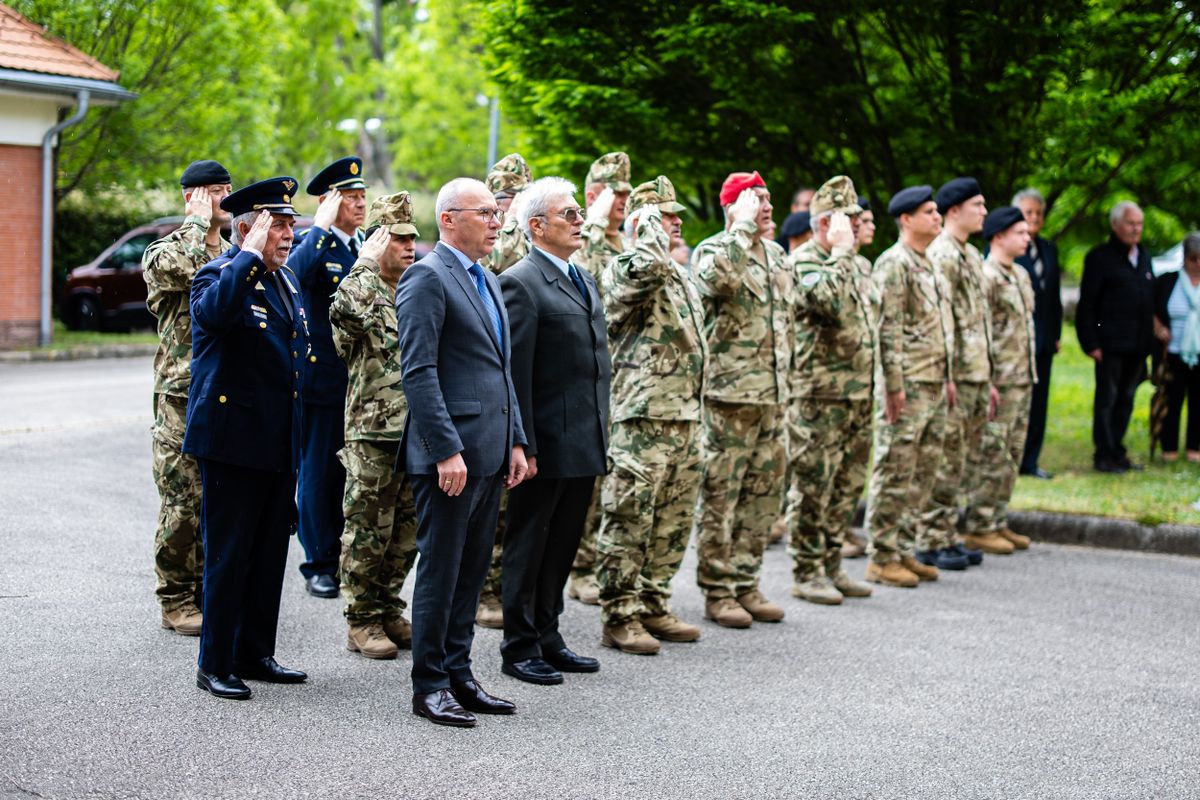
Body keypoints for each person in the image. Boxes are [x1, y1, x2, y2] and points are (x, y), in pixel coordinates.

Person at [395, 177, 529, 727]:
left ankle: (460, 674)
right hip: (451, 457)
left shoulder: (488, 280)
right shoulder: (426, 277)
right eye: (485, 212)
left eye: (497, 213)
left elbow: (502, 370)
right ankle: (429, 686)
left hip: (491, 451)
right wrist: (446, 448)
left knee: (471, 573)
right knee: (441, 571)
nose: (496, 220)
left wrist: (516, 439)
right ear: (449, 219)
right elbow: (418, 372)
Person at [183, 178, 308, 700]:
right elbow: (213, 316)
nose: (287, 233)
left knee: (266, 553)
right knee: (229, 555)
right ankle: (214, 663)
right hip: (233, 442)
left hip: (276, 441)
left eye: (288, 224)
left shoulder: (286, 281)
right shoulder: (219, 275)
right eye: (276, 225)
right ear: (246, 229)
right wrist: (247, 257)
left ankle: (254, 651)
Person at [496, 177, 611, 685]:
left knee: (563, 543)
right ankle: (519, 646)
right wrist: (524, 443)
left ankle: (549, 634)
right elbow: (516, 372)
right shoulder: (520, 280)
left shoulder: (581, 277)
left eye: (579, 212)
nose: (580, 220)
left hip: (583, 437)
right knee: (529, 543)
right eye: (569, 214)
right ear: (537, 226)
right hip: (545, 441)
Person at [596, 176, 707, 654]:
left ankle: (653, 602)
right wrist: (648, 231)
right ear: (643, 224)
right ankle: (620, 614)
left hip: (684, 415)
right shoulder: (628, 265)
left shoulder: (676, 271)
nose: (677, 221)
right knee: (629, 517)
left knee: (673, 519)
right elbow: (643, 270)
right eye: (667, 215)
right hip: (642, 418)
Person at [692, 171, 792, 628]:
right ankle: (718, 590)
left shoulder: (776, 255)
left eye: (768, 199)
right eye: (756, 199)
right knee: (721, 496)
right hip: (728, 399)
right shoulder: (714, 249)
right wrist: (742, 229)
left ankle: (747, 582)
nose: (767, 206)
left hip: (773, 397)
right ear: (733, 206)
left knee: (763, 498)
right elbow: (721, 283)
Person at [329, 192, 421, 660]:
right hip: (371, 432)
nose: (408, 247)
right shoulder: (359, 290)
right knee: (367, 529)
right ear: (375, 241)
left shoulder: (413, 290)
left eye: (411, 239)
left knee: (406, 532)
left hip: (415, 433)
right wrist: (363, 264)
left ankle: (387, 607)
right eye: (397, 239)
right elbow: (344, 312)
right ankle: (360, 619)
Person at [142, 159, 231, 635]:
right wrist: (196, 223)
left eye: (227, 190)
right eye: (213, 191)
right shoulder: (164, 252)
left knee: (217, 501)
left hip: (225, 395)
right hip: (182, 396)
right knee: (182, 500)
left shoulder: (239, 250)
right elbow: (196, 270)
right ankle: (175, 598)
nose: (223, 198)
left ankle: (205, 592)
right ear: (191, 197)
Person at [786, 176, 876, 605]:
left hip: (858, 393)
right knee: (813, 486)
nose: (858, 227)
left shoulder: (859, 264)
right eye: (850, 220)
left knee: (847, 484)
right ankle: (806, 570)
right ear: (826, 224)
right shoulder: (804, 261)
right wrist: (841, 252)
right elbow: (827, 302)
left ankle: (833, 564)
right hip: (818, 394)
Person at [864, 185, 955, 588]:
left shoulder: (928, 263)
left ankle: (904, 547)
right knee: (896, 468)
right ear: (906, 219)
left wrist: (948, 376)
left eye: (937, 211)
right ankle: (882, 555)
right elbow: (890, 329)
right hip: (908, 384)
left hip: (934, 380)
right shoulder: (893, 264)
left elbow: (940, 328)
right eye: (930, 212)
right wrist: (893, 385)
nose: (938, 218)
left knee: (923, 469)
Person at [287, 156, 367, 598]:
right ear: (326, 203)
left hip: (359, 384)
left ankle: (343, 556)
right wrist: (317, 229)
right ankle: (318, 562)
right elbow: (293, 278)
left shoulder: (361, 248)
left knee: (351, 474)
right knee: (319, 473)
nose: (359, 205)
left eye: (361, 197)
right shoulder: (312, 244)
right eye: (349, 197)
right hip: (322, 382)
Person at [568, 151, 634, 606]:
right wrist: (590, 223)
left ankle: (589, 561)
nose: (624, 202)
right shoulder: (585, 241)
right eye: (617, 194)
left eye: (628, 193)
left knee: (605, 477)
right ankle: (578, 567)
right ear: (594, 196)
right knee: (584, 480)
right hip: (583, 376)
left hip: (623, 377)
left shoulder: (625, 247)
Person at [919, 177, 993, 567]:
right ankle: (930, 536)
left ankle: (947, 532)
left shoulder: (968, 253)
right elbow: (941, 319)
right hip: (955, 372)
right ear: (954, 211)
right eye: (976, 205)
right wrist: (946, 374)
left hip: (975, 371)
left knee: (961, 457)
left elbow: (978, 320)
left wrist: (989, 374)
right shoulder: (943, 254)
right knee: (945, 457)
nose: (983, 211)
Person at [477, 152, 535, 628]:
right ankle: (482, 591)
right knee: (489, 499)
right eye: (500, 200)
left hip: (525, 374)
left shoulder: (530, 231)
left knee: (519, 493)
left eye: (517, 198)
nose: (507, 208)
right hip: (488, 378)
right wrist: (510, 220)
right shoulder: (492, 237)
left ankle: (509, 585)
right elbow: (498, 265)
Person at [964, 206, 1037, 551]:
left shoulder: (1020, 275)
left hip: (1022, 375)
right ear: (998, 236)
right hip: (999, 378)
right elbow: (982, 330)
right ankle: (979, 523)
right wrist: (987, 378)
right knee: (992, 451)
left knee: (1012, 452)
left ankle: (997, 518)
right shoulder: (986, 275)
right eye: (1020, 233)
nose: (1027, 237)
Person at [1076, 201, 1156, 473]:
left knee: (1127, 398)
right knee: (1107, 400)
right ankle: (1104, 453)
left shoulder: (1143, 257)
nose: (1136, 229)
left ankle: (1117, 449)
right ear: (1115, 225)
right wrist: (1091, 342)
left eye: (1139, 224)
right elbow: (1087, 304)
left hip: (1137, 344)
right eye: (1131, 223)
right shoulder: (1100, 257)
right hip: (1110, 344)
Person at [1013, 188, 1063, 479]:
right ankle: (1014, 459)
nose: (1034, 218)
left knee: (1040, 400)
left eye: (1038, 213)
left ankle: (1031, 461)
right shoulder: (1005, 249)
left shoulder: (1049, 249)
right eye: (1028, 212)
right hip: (1018, 340)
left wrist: (1056, 333)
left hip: (1045, 338)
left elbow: (1052, 297)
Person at [1152, 232, 1200, 462]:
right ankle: (1168, 448)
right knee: (1171, 400)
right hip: (1173, 351)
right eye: (1193, 258)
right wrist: (1158, 328)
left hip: (1199, 352)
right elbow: (1151, 309)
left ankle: (1195, 448)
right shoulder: (1167, 281)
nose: (1198, 263)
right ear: (1185, 258)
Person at [481, 152, 533, 274]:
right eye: (517, 196)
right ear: (496, 202)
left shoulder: (529, 229)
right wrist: (513, 219)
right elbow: (495, 264)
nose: (525, 202)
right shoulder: (480, 231)